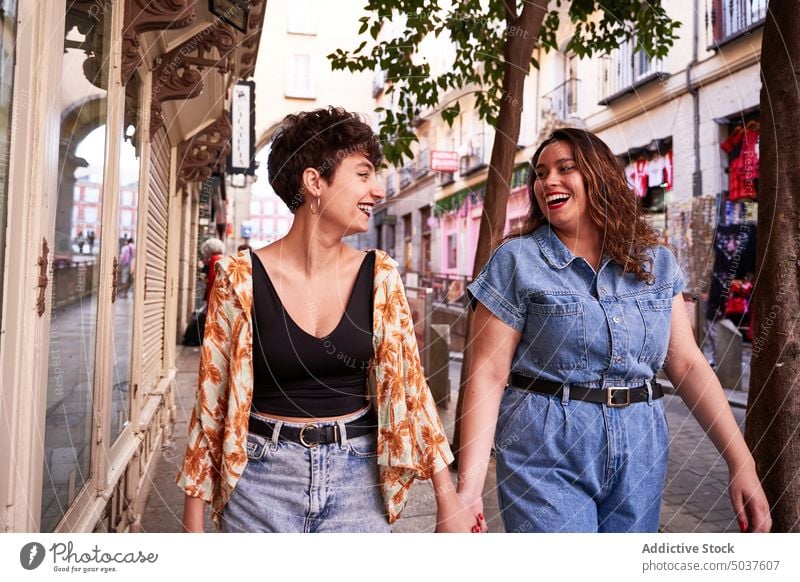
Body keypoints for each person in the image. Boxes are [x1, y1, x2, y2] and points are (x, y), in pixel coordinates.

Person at [456, 128, 771, 533]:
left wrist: (739, 461)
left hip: (642, 445)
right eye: (539, 173)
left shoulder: (656, 263)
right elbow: (488, 372)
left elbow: (688, 363)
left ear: (599, 176)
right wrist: (467, 491)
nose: (547, 181)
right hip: (545, 444)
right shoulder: (517, 261)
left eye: (564, 168)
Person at [177, 107, 476, 533]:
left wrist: (448, 502)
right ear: (315, 182)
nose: (378, 189)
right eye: (364, 173)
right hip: (259, 481)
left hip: (358, 480)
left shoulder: (380, 276)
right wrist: (193, 526)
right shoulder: (239, 280)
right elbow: (212, 402)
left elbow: (411, 390)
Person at [199, 237, 224, 305]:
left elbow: (213, 278)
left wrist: (205, 280)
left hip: (213, 293)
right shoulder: (222, 258)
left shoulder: (214, 259)